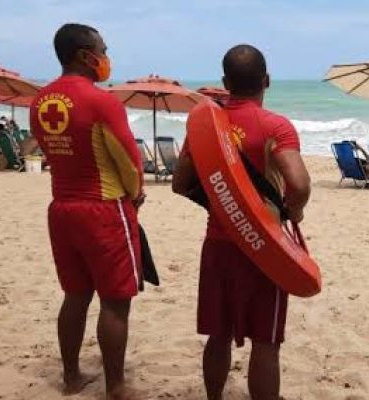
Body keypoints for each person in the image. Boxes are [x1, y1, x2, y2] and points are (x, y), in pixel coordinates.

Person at [171, 44, 311, 400]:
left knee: (218, 335)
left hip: (218, 243)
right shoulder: (275, 125)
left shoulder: (205, 125)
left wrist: (219, 201)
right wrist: (293, 213)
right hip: (265, 247)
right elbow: (299, 184)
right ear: (267, 80)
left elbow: (179, 183)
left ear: (225, 82)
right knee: (266, 340)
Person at [29, 23, 145, 399]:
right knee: (115, 301)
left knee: (75, 295)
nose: (106, 57)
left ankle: (70, 377)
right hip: (103, 209)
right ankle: (115, 387)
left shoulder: (40, 100)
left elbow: (51, 151)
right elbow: (129, 159)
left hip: (61, 207)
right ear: (85, 55)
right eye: (103, 49)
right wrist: (136, 193)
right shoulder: (101, 101)